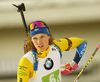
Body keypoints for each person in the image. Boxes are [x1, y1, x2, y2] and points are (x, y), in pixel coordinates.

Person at [17, 21, 87, 82]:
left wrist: (74, 63)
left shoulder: (56, 47)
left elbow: (82, 42)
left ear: (48, 36)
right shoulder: (26, 61)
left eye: (42, 37)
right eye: (35, 38)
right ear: (31, 40)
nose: (39, 42)